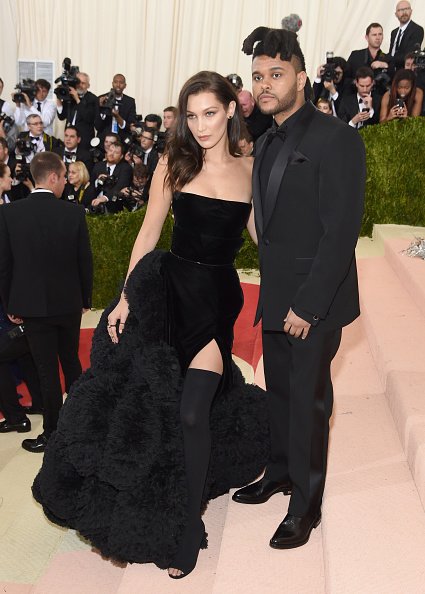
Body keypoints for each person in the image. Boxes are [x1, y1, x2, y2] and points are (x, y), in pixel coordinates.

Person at [31, 71, 269, 578]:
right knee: (154, 408)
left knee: (191, 413)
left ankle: (187, 526)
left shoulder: (251, 172)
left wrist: (302, 288)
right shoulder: (173, 164)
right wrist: (123, 297)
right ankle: (158, 492)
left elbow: (265, 244)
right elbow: (147, 236)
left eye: (210, 112)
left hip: (213, 304)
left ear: (231, 110)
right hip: (167, 296)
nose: (200, 125)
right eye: (191, 114)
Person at [233, 27, 365, 550]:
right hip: (276, 294)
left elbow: (341, 231)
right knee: (281, 393)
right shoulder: (264, 142)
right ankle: (281, 471)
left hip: (317, 300)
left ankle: (304, 507)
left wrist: (307, 305)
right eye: (258, 77)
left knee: (309, 402)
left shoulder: (337, 138)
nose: (265, 85)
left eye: (276, 75)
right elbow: (267, 229)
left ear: (302, 78)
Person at [0, 151, 93, 453]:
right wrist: (85, 298)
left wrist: (9, 304)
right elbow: (84, 260)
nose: (66, 181)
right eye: (65, 176)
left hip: (31, 306)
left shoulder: (10, 213)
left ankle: (52, 435)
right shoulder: (74, 212)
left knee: (47, 371)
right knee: (71, 363)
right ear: (53, 177)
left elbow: (5, 265)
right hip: (68, 303)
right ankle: (82, 426)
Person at [56, 72, 97, 149]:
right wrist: (59, 97)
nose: (80, 85)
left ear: (88, 86)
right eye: (78, 82)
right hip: (69, 140)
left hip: (84, 139)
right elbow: (61, 116)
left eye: (83, 83)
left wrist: (77, 99)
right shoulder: (69, 96)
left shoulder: (93, 99)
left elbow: (88, 118)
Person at [388, 1, 424, 71]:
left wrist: (388, 60)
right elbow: (391, 53)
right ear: (396, 14)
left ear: (411, 11)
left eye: (406, 9)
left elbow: (408, 55)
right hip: (391, 73)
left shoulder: (417, 30)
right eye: (400, 10)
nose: (404, 12)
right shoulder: (394, 32)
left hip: (406, 73)